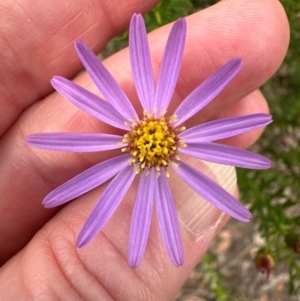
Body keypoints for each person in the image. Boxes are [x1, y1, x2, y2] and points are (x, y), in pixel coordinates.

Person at [0, 0, 289, 300]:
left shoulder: (157, 141)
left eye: (154, 139)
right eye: (152, 138)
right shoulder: (146, 142)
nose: (153, 141)